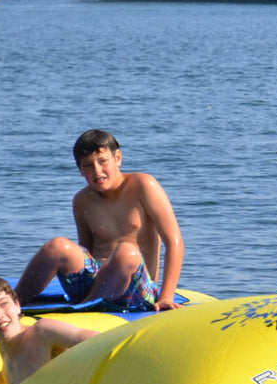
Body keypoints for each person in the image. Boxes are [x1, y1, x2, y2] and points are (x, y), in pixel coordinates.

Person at [13, 129, 184, 311]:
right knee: (57, 246)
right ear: (79, 170)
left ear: (117, 158)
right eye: (87, 165)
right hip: (97, 281)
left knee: (127, 252)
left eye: (103, 161)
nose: (97, 171)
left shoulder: (143, 185)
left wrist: (166, 296)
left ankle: (86, 308)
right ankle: (13, 302)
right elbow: (84, 253)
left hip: (135, 287)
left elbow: (175, 242)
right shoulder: (82, 200)